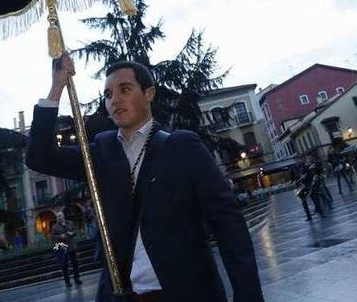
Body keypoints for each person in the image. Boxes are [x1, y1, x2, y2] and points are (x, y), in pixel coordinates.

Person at [27, 55, 263, 302]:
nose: (115, 100)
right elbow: (38, 158)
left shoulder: (183, 147)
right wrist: (57, 86)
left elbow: (229, 227)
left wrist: (249, 295)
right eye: (107, 95)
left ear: (149, 93)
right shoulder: (99, 152)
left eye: (125, 89)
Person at [52, 211, 83, 288]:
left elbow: (75, 231)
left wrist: (72, 233)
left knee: (75, 263)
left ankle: (77, 278)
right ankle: (67, 282)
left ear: (63, 216)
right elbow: (53, 237)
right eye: (58, 216)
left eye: (60, 216)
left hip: (71, 246)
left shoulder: (70, 223)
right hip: (63, 248)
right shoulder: (55, 227)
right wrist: (60, 236)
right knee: (64, 265)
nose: (59, 218)